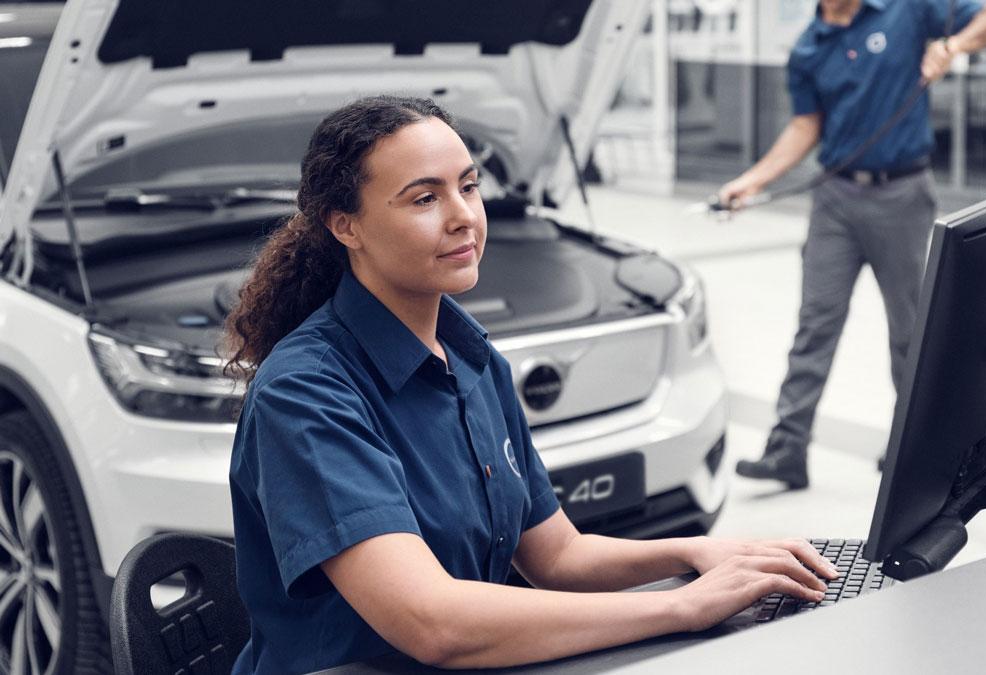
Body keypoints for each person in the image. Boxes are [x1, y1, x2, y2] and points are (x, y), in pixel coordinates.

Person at [222, 95, 838, 674]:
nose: (464, 217)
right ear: (345, 226)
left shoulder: (470, 359)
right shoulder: (306, 392)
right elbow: (433, 623)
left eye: (468, 187)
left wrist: (697, 554)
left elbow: (558, 557)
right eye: (424, 198)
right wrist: (683, 606)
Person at [720, 0, 986, 489]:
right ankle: (788, 448)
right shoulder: (809, 47)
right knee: (815, 323)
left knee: (910, 331)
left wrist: (952, 46)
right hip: (834, 199)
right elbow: (805, 125)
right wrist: (752, 181)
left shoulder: (907, 9)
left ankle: (914, 447)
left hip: (902, 195)